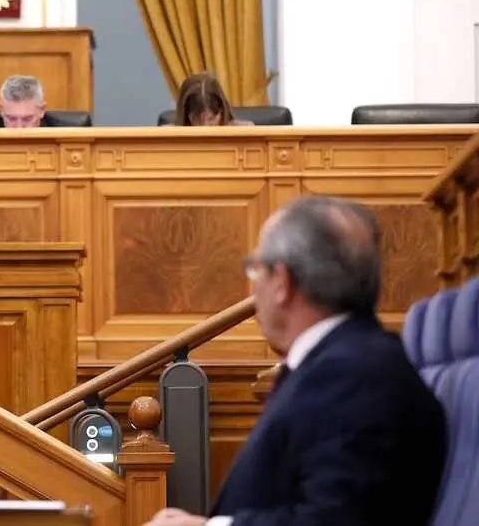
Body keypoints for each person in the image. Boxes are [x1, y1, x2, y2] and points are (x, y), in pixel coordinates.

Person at [145, 196, 447, 526]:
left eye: (255, 270)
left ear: (282, 282)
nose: (253, 288)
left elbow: (337, 519)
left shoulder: (354, 376)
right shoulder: (337, 364)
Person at [172, 72, 253, 126]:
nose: (205, 126)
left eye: (211, 118)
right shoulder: (166, 137)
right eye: (197, 120)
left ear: (222, 109)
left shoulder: (245, 132)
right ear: (185, 115)